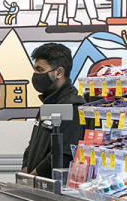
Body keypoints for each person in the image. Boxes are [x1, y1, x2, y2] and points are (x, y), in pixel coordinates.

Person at [21, 42, 85, 178]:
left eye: (40, 70)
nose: (35, 75)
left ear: (59, 72)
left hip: (53, 189)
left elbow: (65, 152)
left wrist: (35, 176)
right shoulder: (48, 102)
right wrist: (25, 169)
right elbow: (33, 144)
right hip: (34, 185)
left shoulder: (73, 107)